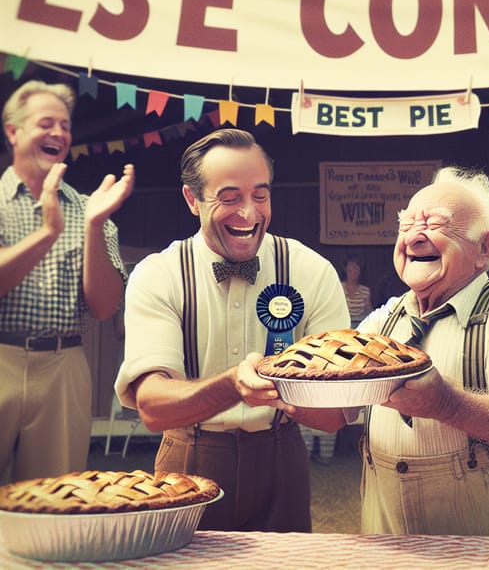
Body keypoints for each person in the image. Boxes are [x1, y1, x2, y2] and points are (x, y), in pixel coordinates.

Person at [114, 128, 350, 532]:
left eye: (260, 195)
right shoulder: (158, 274)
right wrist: (232, 386)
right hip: (189, 458)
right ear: (192, 199)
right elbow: (152, 407)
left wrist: (287, 390)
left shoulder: (312, 270)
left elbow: (336, 415)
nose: (248, 213)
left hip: (283, 460)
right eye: (229, 198)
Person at [357, 166, 489, 537]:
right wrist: (285, 387)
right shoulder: (383, 319)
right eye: (406, 224)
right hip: (386, 523)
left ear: (484, 247)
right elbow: (339, 405)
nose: (413, 238)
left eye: (434, 225)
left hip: (484, 526)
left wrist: (446, 404)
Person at [0, 80, 135, 483]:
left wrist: (93, 225)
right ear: (13, 132)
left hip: (64, 365)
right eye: (46, 123)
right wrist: (46, 234)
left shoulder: (89, 207)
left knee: (53, 498)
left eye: (65, 126)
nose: (58, 133)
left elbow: (104, 306)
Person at [342, 254, 372, 328]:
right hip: (342, 324)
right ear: (346, 269)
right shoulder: (339, 287)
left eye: (357, 267)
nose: (354, 269)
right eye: (351, 265)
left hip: (360, 326)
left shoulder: (365, 290)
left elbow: (369, 313)